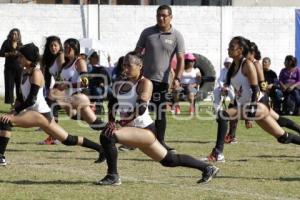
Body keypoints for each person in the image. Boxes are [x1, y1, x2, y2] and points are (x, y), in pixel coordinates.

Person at [96, 51, 219, 185]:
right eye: (123, 65)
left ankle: (113, 176)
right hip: (131, 130)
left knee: (107, 135)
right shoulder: (120, 84)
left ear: (140, 65)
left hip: (145, 130)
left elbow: (141, 108)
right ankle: (207, 168)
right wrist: (112, 122)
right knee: (169, 160)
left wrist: (121, 123)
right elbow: (112, 104)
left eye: (128, 66)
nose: (125, 69)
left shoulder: (145, 83)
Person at [0, 43, 105, 166]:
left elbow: (31, 100)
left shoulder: (36, 73)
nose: (18, 59)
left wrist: (14, 111)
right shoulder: (24, 73)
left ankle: (1, 157)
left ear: (29, 58)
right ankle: (101, 149)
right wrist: (16, 105)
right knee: (68, 140)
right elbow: (22, 98)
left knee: (5, 121)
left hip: (39, 114)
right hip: (40, 114)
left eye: (21, 56)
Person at [205, 36, 300, 162]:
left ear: (240, 50)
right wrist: (226, 88)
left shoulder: (249, 64)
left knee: (223, 115)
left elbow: (257, 88)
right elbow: (237, 88)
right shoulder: (233, 66)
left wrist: (250, 113)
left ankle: (218, 153)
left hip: (258, 104)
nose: (228, 49)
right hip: (251, 105)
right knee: (283, 137)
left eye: (231, 47)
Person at [135, 5, 185, 151]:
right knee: (139, 109)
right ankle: (133, 140)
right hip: (145, 80)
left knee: (160, 112)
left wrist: (177, 78)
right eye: (158, 15)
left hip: (163, 81)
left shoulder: (177, 36)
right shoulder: (147, 32)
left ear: (171, 17)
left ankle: (160, 142)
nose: (161, 18)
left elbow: (181, 59)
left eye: (164, 15)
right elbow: (137, 53)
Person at [49, 38, 105, 132]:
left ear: (74, 48)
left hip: (79, 96)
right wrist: (57, 85)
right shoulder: (65, 64)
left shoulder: (79, 62)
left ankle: (54, 137)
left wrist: (68, 85)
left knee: (54, 104)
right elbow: (62, 81)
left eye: (68, 47)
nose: (65, 49)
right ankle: (113, 129)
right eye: (64, 47)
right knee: (95, 124)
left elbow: (85, 82)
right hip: (70, 96)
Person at [38, 35, 65, 145]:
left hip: (64, 87)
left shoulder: (61, 55)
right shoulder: (47, 58)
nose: (53, 48)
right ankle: (54, 136)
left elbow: (61, 74)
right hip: (52, 88)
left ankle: (54, 136)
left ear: (59, 46)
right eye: (51, 46)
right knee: (51, 109)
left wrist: (57, 87)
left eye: (55, 45)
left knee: (52, 109)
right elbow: (44, 72)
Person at [0, 28, 23, 108]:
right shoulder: (6, 42)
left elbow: (23, 54)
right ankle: (12, 104)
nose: (14, 35)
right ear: (10, 34)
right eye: (12, 34)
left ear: (18, 35)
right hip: (9, 69)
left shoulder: (20, 44)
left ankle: (19, 104)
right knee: (9, 86)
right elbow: (1, 53)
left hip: (19, 68)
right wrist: (10, 54)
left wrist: (18, 54)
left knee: (19, 87)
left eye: (15, 34)